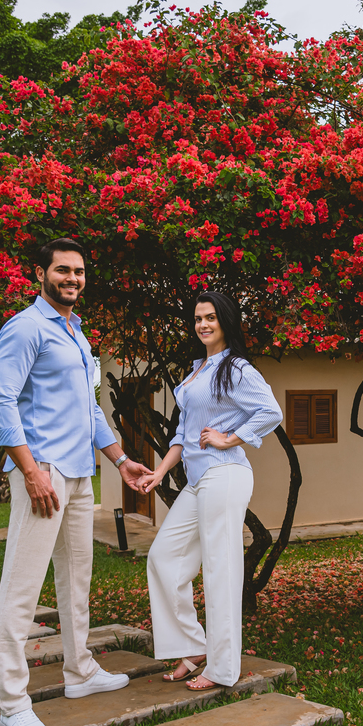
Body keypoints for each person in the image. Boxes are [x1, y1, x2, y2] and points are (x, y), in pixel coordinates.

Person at [0, 237, 153, 726]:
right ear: (42, 273)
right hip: (45, 474)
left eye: (79, 272)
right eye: (63, 271)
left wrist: (120, 461)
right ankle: (13, 703)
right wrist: (32, 472)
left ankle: (79, 671)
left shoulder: (78, 335)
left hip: (81, 475)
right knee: (22, 587)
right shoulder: (26, 328)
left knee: (77, 576)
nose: (72, 279)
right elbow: (0, 403)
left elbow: (90, 410)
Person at [134, 291, 282, 691]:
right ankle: (193, 647)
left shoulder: (235, 368)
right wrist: (159, 473)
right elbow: (183, 434)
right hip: (199, 480)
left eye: (211, 317)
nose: (203, 324)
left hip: (226, 474)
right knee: (164, 558)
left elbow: (271, 411)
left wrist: (231, 437)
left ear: (226, 321)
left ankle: (221, 667)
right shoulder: (198, 369)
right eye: (198, 317)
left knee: (221, 569)